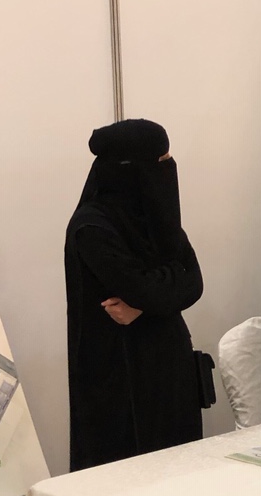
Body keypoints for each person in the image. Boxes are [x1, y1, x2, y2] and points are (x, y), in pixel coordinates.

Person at [64, 118, 204, 472]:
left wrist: (144, 307)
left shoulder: (159, 219)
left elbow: (194, 282)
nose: (168, 170)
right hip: (118, 380)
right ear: (128, 169)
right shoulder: (91, 227)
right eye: (160, 162)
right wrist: (156, 295)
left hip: (169, 370)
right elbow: (147, 287)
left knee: (180, 476)